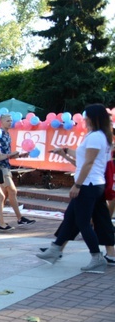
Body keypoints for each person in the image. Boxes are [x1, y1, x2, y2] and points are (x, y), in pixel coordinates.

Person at [37, 103, 113, 273]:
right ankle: (54, 250)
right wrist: (64, 152)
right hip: (93, 184)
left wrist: (77, 185)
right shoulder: (98, 136)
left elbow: (89, 163)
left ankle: (96, 257)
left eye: (86, 115)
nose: (84, 118)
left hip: (89, 185)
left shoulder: (96, 137)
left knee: (82, 222)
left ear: (93, 117)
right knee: (71, 217)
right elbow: (83, 161)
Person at [0, 114, 36, 226]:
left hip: (6, 166)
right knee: (12, 191)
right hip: (1, 167)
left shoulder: (8, 135)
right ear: (1, 122)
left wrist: (21, 155)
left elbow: (9, 155)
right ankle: (20, 218)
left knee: (5, 194)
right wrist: (11, 155)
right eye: (8, 121)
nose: (10, 123)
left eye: (11, 121)